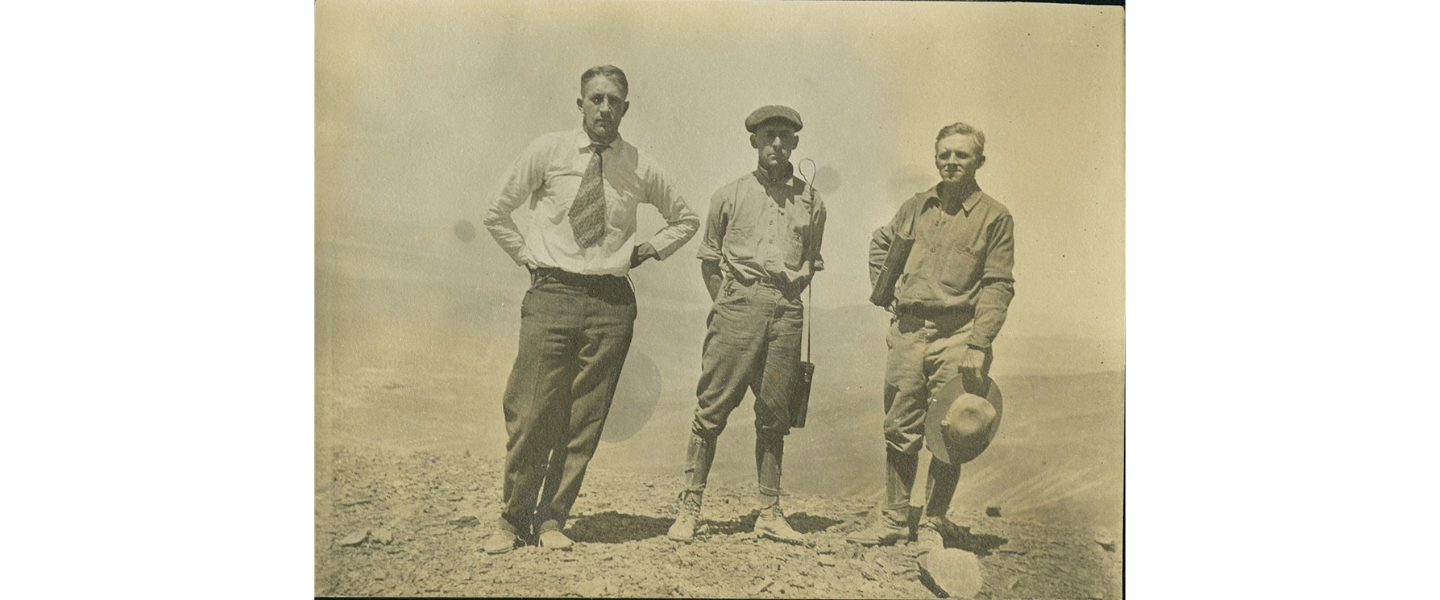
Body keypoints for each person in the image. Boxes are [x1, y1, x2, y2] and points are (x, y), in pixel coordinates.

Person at [480, 65, 700, 554]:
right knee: (532, 410)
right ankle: (512, 520)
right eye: (595, 99)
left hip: (611, 302)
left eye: (614, 100)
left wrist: (647, 250)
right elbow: (497, 209)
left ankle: (553, 519)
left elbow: (686, 219)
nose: (604, 108)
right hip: (551, 295)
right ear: (580, 104)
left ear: (626, 107)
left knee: (584, 419)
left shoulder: (642, 165)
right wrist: (528, 256)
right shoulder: (548, 151)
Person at [845, 121, 1016, 552]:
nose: (952, 161)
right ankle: (895, 519)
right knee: (900, 424)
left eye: (962, 154)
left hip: (959, 335)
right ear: (935, 158)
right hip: (907, 332)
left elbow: (998, 284)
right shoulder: (915, 207)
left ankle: (936, 522)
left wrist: (979, 343)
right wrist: (885, 290)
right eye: (945, 155)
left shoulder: (995, 217)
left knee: (953, 429)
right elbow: (881, 242)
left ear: (980, 160)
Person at [666, 106, 827, 545]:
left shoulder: (812, 203)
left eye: (785, 137)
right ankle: (690, 507)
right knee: (712, 408)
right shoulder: (729, 195)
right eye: (768, 135)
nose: (776, 143)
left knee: (775, 412)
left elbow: (812, 260)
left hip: (787, 312)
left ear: (795, 143)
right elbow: (709, 258)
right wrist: (728, 303)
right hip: (738, 305)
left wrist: (788, 292)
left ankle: (770, 511)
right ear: (754, 141)